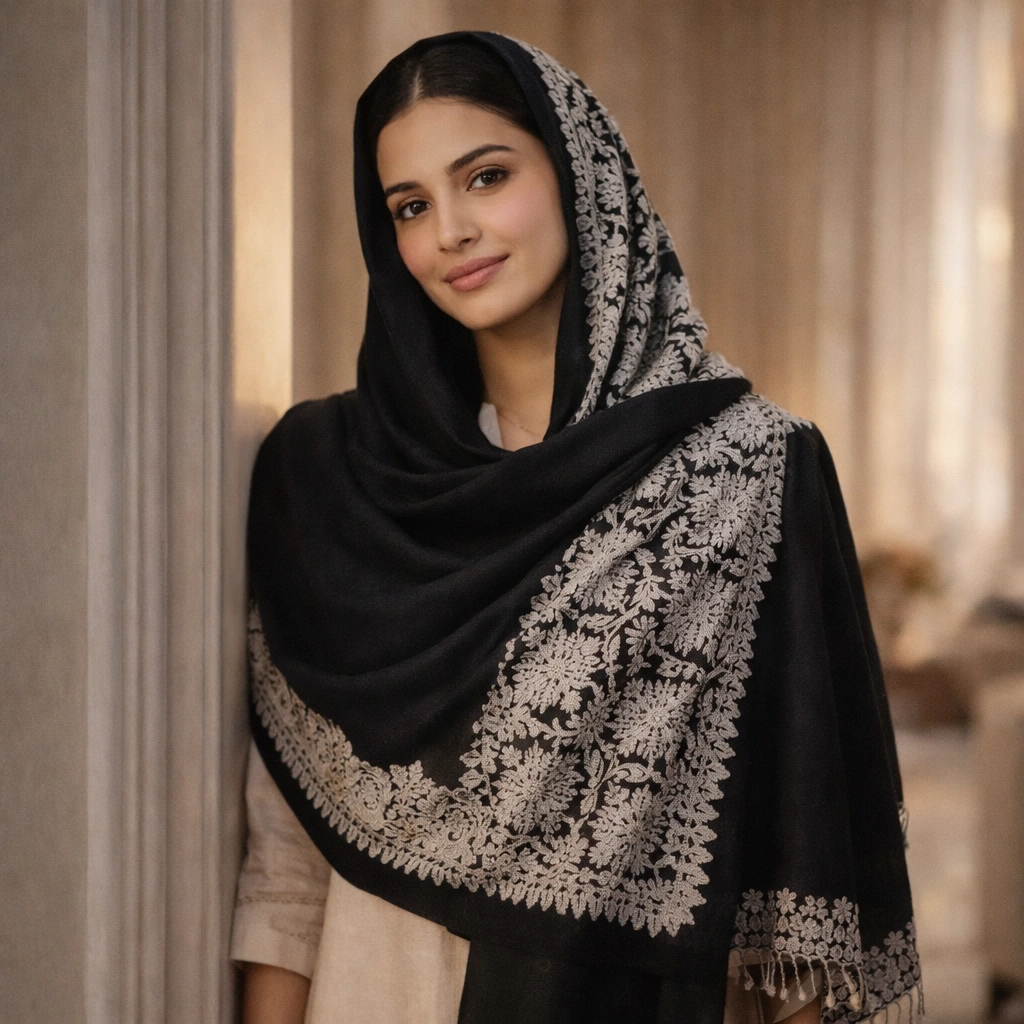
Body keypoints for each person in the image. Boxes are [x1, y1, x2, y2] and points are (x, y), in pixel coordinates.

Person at [230, 31, 922, 1024]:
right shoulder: (329, 478)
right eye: (410, 206)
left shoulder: (746, 473)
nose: (451, 231)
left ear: (578, 174)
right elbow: (285, 876)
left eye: (486, 177)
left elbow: (796, 908)